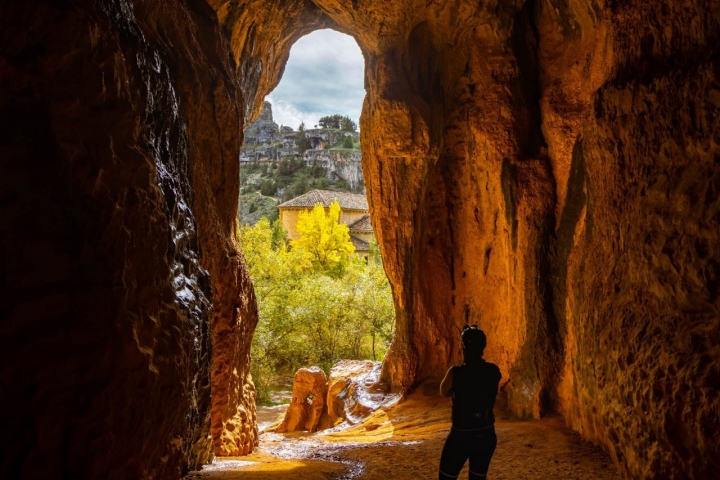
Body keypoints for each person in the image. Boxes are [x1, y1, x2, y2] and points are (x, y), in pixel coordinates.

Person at [438, 324, 502, 480]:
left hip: (462, 435)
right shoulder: (493, 370)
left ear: (463, 346)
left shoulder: (456, 372)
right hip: (486, 433)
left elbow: (443, 391)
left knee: (446, 476)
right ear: (483, 346)